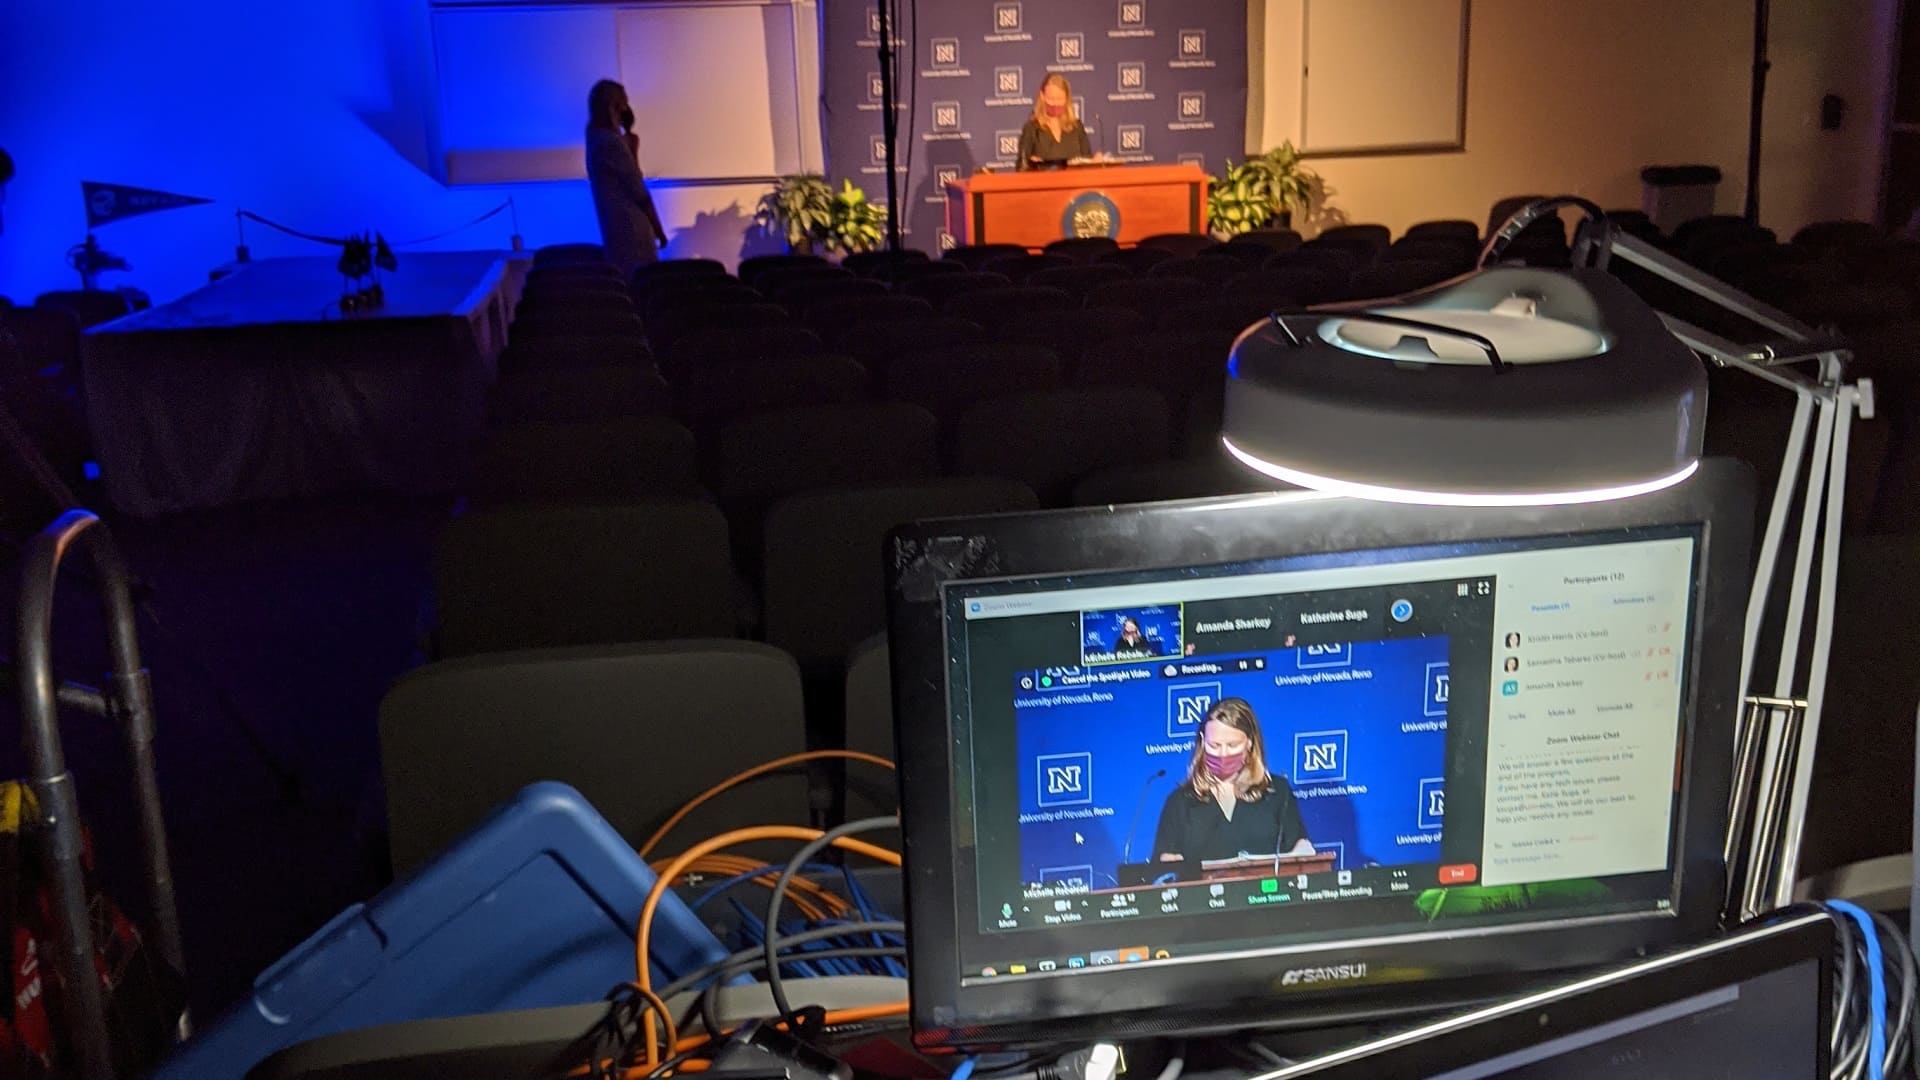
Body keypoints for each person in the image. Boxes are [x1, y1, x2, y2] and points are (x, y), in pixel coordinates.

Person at [1152, 699, 1312, 865]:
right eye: (1214, 745)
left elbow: (1300, 850)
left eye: (1232, 745)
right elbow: (1164, 867)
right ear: (1202, 741)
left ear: (1249, 742)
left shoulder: (1277, 792)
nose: (1223, 754)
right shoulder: (1180, 802)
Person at [585, 80, 669, 277]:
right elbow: (638, 190)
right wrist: (659, 230)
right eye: (623, 103)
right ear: (613, 106)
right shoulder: (612, 143)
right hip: (632, 228)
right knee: (642, 282)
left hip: (613, 227)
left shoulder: (594, 138)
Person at [1017, 74, 1092, 171]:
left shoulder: (1077, 127)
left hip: (1074, 183)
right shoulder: (1031, 129)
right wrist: (1034, 167)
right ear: (1042, 96)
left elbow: (1088, 164)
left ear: (1067, 98)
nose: (1055, 104)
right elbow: (1021, 167)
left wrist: (1095, 161)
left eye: (1059, 99)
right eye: (1051, 99)